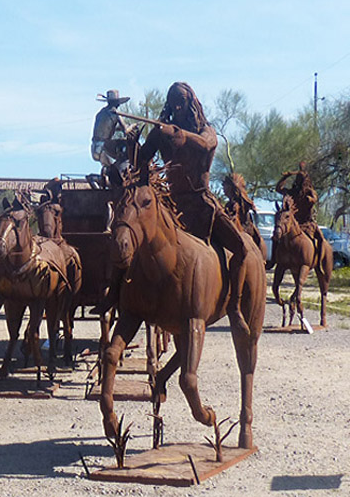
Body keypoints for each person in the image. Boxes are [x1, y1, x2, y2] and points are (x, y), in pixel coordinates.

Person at [136, 82, 250, 332]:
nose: (177, 105)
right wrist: (138, 142)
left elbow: (209, 144)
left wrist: (184, 135)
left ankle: (235, 307)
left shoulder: (205, 130)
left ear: (191, 103)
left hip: (201, 203)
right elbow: (141, 159)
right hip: (171, 203)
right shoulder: (161, 133)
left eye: (182, 101)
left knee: (241, 249)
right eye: (173, 100)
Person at [90, 90, 140, 188]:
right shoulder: (116, 114)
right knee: (124, 154)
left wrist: (119, 129)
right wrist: (133, 125)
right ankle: (107, 180)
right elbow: (126, 130)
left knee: (109, 169)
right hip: (105, 147)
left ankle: (99, 181)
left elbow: (107, 127)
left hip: (94, 147)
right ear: (116, 103)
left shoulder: (100, 113)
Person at [276, 161, 321, 245]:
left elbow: (315, 198)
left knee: (319, 239)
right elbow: (278, 189)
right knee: (276, 238)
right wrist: (285, 177)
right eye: (298, 178)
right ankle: (274, 258)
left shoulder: (309, 191)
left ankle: (322, 256)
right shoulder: (292, 192)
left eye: (301, 179)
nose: (299, 181)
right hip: (291, 224)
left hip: (306, 224)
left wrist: (310, 199)